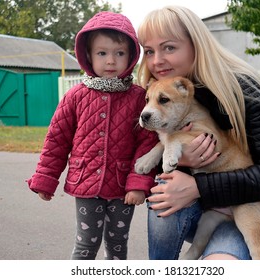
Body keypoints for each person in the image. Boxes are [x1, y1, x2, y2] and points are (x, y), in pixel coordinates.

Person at [136, 6, 260, 260]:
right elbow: (145, 164)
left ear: (195, 44)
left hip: (255, 207)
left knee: (218, 266)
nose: (156, 60)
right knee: (161, 194)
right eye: (149, 51)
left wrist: (198, 186)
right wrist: (183, 162)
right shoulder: (154, 92)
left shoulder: (242, 88)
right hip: (201, 210)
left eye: (169, 47)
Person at [27, 11, 158, 260]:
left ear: (131, 56)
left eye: (119, 53)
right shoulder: (75, 96)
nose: (111, 61)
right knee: (86, 243)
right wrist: (45, 178)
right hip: (86, 183)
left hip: (123, 189)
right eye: (102, 53)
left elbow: (147, 143)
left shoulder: (139, 97)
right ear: (88, 55)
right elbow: (57, 140)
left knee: (117, 244)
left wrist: (139, 184)